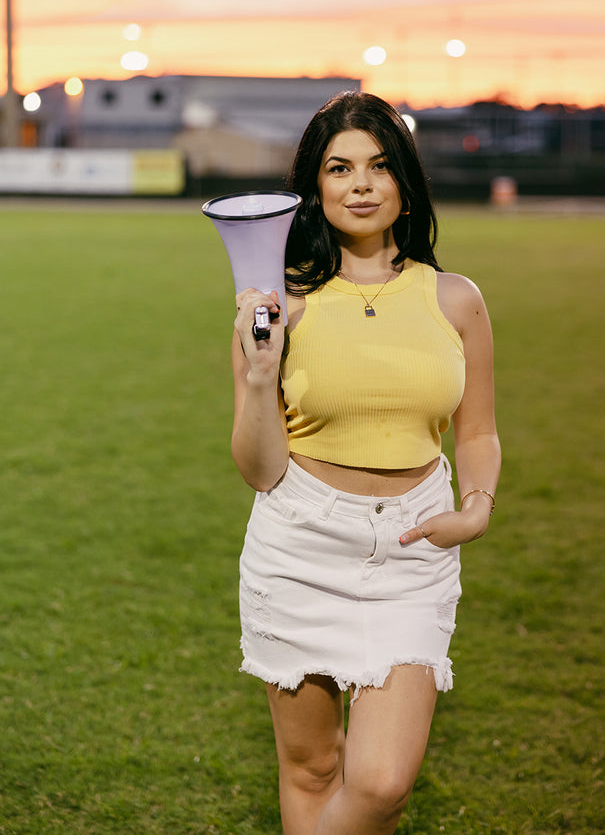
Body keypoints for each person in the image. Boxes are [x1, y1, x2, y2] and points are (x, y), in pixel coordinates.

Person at [231, 90, 501, 835]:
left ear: (404, 183)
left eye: (379, 166)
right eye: (339, 167)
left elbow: (477, 430)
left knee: (380, 784)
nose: (359, 183)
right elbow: (258, 468)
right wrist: (259, 376)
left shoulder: (456, 300)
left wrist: (476, 504)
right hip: (300, 544)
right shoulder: (282, 307)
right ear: (314, 188)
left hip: (413, 550)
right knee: (313, 770)